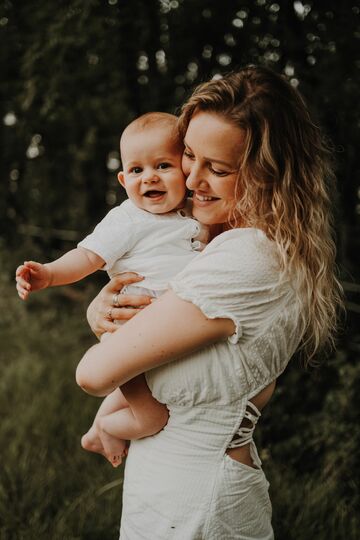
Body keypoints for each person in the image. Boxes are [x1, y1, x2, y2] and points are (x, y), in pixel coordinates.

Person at [76, 65, 343, 539]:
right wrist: (105, 303)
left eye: (217, 169)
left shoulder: (247, 257)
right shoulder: (213, 247)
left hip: (199, 502)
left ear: (268, 175)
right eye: (189, 156)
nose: (192, 178)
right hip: (167, 488)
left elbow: (96, 373)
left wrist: (104, 328)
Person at [15, 112, 209, 468]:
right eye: (137, 170)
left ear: (185, 170)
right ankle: (105, 428)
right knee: (151, 416)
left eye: (163, 165)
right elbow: (86, 256)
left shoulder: (193, 215)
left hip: (167, 331)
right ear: (123, 179)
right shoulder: (128, 219)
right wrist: (49, 274)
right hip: (129, 332)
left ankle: (96, 429)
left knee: (146, 393)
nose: (149, 176)